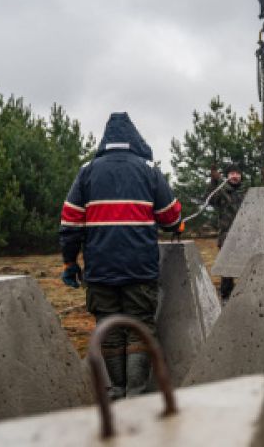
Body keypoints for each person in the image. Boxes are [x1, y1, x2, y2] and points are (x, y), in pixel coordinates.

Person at [59, 112, 182, 400]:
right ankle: (136, 394)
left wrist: (69, 261)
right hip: (140, 267)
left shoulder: (87, 171)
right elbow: (171, 215)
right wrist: (177, 225)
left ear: (106, 140)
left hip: (100, 268)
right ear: (134, 139)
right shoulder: (148, 169)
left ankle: (116, 390)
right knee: (139, 324)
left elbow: (70, 222)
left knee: (108, 324)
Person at [209, 161, 246, 301]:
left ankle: (244, 294)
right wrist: (213, 181)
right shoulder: (220, 190)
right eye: (232, 174)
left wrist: (219, 180)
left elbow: (233, 204)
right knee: (227, 269)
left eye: (237, 173)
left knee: (246, 267)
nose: (235, 176)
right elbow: (211, 199)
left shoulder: (245, 191)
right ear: (227, 176)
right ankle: (226, 297)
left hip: (245, 235)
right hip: (226, 235)